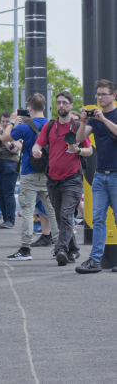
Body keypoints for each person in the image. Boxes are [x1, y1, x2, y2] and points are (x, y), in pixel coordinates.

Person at [31, 91, 92, 266]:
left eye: (65, 102)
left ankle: (61, 249)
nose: (61, 106)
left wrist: (78, 150)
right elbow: (39, 143)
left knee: (66, 214)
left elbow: (89, 150)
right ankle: (74, 249)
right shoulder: (49, 126)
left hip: (72, 179)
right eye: (58, 102)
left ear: (71, 105)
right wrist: (36, 149)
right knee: (59, 217)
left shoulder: (78, 125)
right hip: (53, 179)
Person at [3, 93, 56, 260]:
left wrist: (12, 120)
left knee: (27, 211)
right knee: (52, 211)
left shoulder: (25, 127)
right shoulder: (52, 125)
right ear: (45, 107)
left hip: (29, 173)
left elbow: (5, 138)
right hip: (49, 174)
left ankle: (25, 249)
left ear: (30, 109)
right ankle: (60, 246)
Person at [74, 79, 117, 273]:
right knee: (98, 218)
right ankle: (94, 260)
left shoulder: (112, 115)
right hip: (100, 174)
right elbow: (79, 138)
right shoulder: (93, 117)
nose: (100, 98)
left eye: (103, 94)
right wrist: (83, 122)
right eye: (98, 94)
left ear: (113, 96)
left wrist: (104, 119)